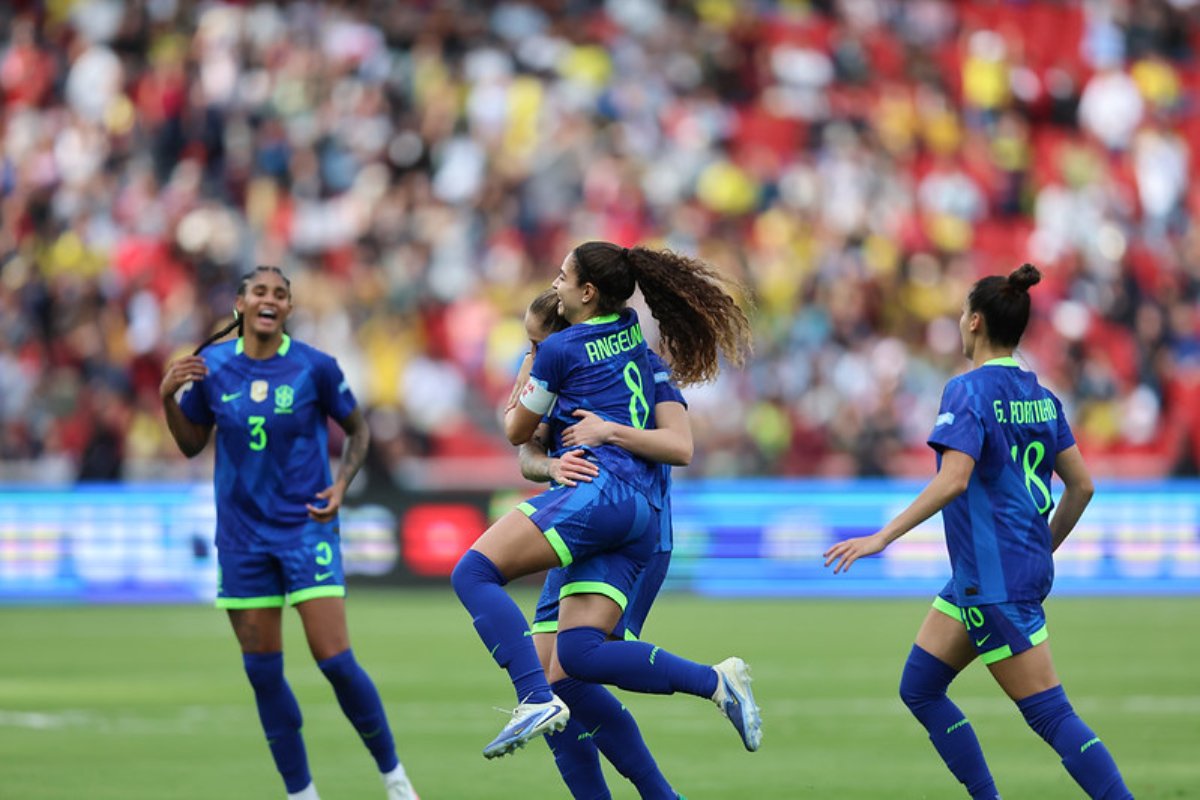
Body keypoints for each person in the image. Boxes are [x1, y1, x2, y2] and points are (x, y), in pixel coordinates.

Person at [823, 263, 1133, 800]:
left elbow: (954, 480)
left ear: (974, 322)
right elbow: (1081, 486)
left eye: (964, 311)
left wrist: (882, 537)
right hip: (989, 574)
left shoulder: (966, 391)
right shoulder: (1041, 395)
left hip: (995, 582)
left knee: (1051, 716)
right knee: (919, 687)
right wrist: (1043, 545)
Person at [451, 241, 761, 765]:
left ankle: (531, 700)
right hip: (626, 511)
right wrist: (551, 463)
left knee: (474, 573)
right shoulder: (636, 346)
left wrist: (552, 385)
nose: (555, 283)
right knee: (574, 660)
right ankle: (711, 690)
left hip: (602, 503)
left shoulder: (561, 355)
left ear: (587, 293)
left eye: (562, 276)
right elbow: (535, 454)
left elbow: (516, 431)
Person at [160, 266, 418, 800]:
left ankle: (395, 780)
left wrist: (343, 484)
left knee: (337, 662)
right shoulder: (210, 369)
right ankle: (302, 794)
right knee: (262, 673)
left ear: (289, 309)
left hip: (306, 530)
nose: (270, 299)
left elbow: (358, 428)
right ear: (240, 304)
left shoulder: (314, 367)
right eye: (260, 291)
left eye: (281, 294)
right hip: (241, 539)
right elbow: (191, 445)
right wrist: (168, 400)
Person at [516, 289, 693, 799]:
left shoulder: (642, 366)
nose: (532, 358)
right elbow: (526, 450)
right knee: (555, 686)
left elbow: (680, 446)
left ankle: (666, 788)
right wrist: (548, 465)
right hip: (579, 530)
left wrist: (611, 432)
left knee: (571, 673)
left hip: (635, 537)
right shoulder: (550, 377)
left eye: (537, 345)